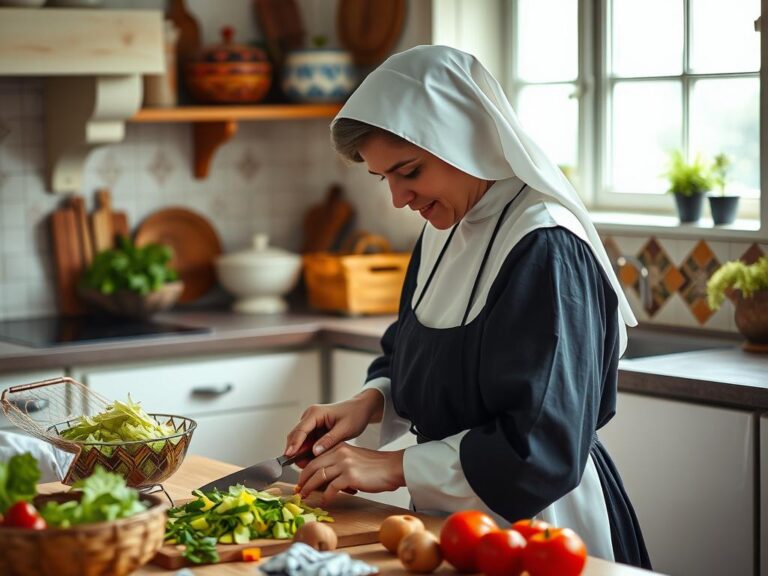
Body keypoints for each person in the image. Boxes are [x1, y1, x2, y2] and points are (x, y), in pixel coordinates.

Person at [284, 45, 651, 569]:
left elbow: (541, 443)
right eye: (385, 178)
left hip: (544, 529)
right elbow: (413, 349)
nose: (398, 199)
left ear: (464, 138)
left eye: (410, 171)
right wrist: (370, 402)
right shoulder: (444, 226)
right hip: (447, 529)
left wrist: (392, 467)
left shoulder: (544, 244)